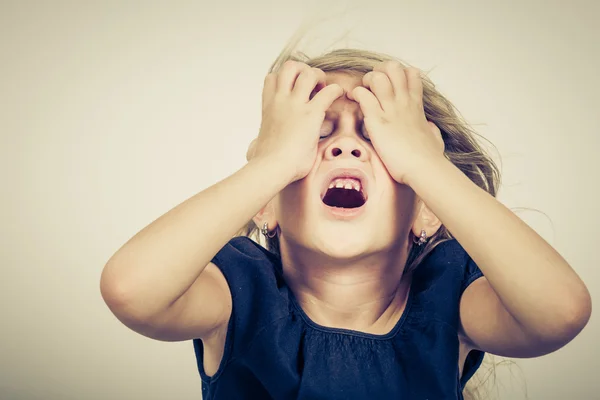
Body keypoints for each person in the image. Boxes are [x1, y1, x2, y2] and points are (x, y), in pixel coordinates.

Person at [100, 40, 592, 399]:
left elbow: (560, 313)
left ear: (425, 210)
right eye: (316, 135)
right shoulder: (236, 295)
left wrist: (425, 165)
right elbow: (131, 290)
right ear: (266, 203)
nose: (346, 145)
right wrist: (270, 163)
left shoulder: (449, 303)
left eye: (378, 140)